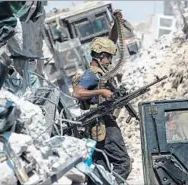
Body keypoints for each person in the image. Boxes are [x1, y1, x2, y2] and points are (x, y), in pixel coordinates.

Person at [72, 10, 131, 184]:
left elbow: (110, 42)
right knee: (123, 163)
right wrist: (101, 92)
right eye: (109, 57)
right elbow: (77, 92)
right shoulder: (92, 74)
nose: (111, 60)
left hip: (101, 123)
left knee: (100, 164)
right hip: (102, 122)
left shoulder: (101, 70)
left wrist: (116, 24)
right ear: (100, 56)